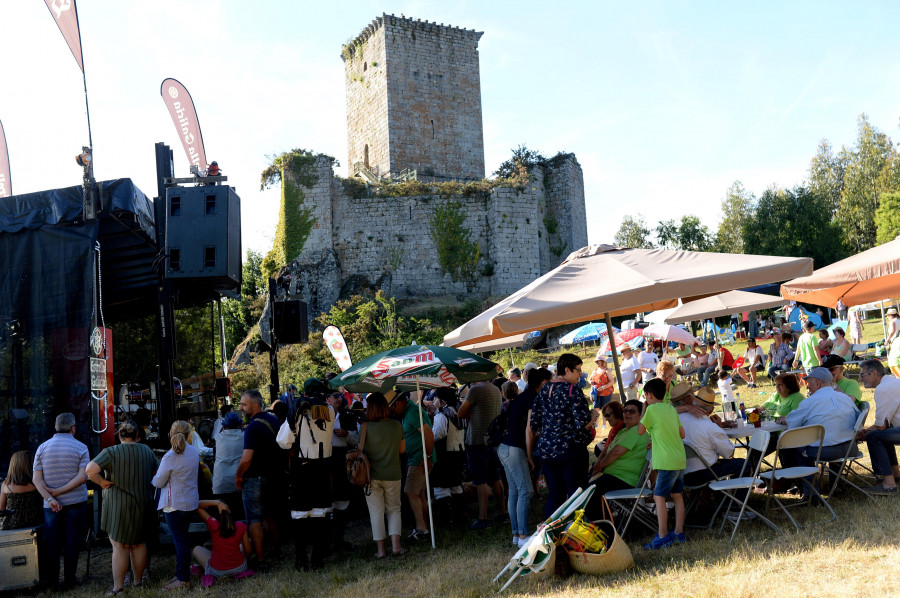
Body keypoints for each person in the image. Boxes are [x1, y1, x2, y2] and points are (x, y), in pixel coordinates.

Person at [86, 421, 158, 595]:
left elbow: (90, 470)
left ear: (119, 434)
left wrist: (102, 482)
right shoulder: (147, 451)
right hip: (142, 503)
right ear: (137, 436)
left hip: (118, 506)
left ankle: (118, 587)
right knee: (139, 544)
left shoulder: (110, 452)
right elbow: (156, 474)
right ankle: (138, 582)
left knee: (120, 547)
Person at [529, 353, 594, 516]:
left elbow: (534, 423)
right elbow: (582, 423)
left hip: (547, 451)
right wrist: (593, 416)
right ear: (567, 370)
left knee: (555, 494)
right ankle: (577, 534)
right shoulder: (572, 390)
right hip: (570, 450)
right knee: (576, 494)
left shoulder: (543, 390)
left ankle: (549, 535)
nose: (580, 374)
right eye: (578, 370)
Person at [780, 367, 859, 499]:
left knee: (796, 450)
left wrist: (783, 420)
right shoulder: (845, 398)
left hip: (825, 451)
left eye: (809, 383)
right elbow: (857, 418)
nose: (807, 388)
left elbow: (792, 423)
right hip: (850, 448)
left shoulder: (810, 402)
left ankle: (811, 494)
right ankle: (834, 486)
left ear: (817, 383)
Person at [32, 412, 89, 591]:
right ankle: (70, 581)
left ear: (56, 427)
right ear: (73, 428)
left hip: (50, 506)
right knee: (72, 541)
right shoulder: (81, 447)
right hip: (76, 502)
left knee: (52, 543)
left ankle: (52, 582)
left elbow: (36, 479)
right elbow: (82, 477)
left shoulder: (42, 448)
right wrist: (61, 491)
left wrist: (50, 498)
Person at [280, 387, 334, 571]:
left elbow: (283, 441)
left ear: (304, 394)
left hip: (303, 468)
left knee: (300, 515)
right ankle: (317, 559)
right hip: (323, 467)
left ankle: (301, 560)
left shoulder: (299, 412)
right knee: (320, 513)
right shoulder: (330, 410)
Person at [234, 389, 281, 570]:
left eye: (244, 405)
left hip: (254, 479)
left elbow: (247, 458)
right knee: (270, 516)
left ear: (254, 405)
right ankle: (276, 550)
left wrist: (238, 474)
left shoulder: (252, 427)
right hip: (273, 476)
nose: (242, 408)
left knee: (254, 519)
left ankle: (260, 559)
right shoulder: (274, 420)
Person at [637, 378, 686, 549]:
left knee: (659, 496)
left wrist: (644, 409)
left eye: (645, 397)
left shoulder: (650, 410)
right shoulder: (671, 409)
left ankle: (662, 534)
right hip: (679, 458)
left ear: (649, 395)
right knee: (677, 495)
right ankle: (679, 533)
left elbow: (640, 430)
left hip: (665, 461)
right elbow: (682, 434)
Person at [152, 420, 200, 590]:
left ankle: (183, 579)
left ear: (171, 434)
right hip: (189, 502)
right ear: (188, 434)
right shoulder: (194, 452)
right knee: (183, 540)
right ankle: (181, 574)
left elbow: (158, 482)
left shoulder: (169, 457)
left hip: (173, 504)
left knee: (180, 542)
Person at [584, 400, 648, 520]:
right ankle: (596, 524)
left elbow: (615, 452)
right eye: (625, 411)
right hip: (613, 476)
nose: (627, 414)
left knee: (589, 492)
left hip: (624, 479)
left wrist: (599, 466)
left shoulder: (636, 431)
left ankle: (604, 529)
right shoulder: (625, 430)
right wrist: (597, 465)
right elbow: (608, 448)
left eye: (632, 411)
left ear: (640, 415)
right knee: (583, 487)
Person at [458, 379, 507, 529]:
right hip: (492, 439)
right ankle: (502, 512)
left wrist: (471, 410)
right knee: (495, 477)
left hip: (477, 439)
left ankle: (483, 518)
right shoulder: (495, 390)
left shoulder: (475, 390)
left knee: (480, 480)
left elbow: (460, 413)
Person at [361, 393, 406, 557]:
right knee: (394, 510)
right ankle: (396, 546)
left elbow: (361, 451)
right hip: (393, 473)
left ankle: (381, 550)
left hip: (370, 476)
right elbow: (402, 450)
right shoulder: (396, 425)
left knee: (376, 512)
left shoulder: (365, 428)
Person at [674, 387, 745, 485]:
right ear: (711, 410)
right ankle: (735, 499)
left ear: (693, 402)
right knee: (744, 464)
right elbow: (729, 453)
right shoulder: (710, 427)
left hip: (679, 473)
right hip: (703, 474)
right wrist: (719, 428)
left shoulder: (676, 418)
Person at [390, 392, 436, 540]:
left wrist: (427, 456)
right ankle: (424, 527)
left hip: (420, 459)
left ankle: (421, 529)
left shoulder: (412, 412)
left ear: (398, 403)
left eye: (392, 408)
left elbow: (428, 434)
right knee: (419, 493)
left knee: (410, 492)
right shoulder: (409, 410)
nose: (392, 411)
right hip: (417, 457)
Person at [498, 373, 536, 547]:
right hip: (514, 448)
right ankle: (523, 536)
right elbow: (529, 432)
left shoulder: (510, 406)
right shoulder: (525, 403)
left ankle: (516, 534)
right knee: (525, 491)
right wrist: (529, 456)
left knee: (514, 491)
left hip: (503, 447)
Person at [858, 359, 900, 494]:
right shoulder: (891, 381)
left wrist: (865, 432)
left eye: (863, 375)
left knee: (874, 437)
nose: (861, 379)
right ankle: (895, 473)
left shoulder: (883, 388)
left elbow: (880, 426)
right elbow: (884, 425)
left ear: (874, 373)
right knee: (881, 434)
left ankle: (888, 484)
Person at [191, 500, 250, 589]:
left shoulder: (213, 523)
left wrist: (217, 502)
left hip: (217, 572)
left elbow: (196, 505)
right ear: (230, 511)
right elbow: (248, 552)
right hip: (239, 568)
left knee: (196, 549)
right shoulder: (240, 526)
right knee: (248, 541)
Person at [327, 391, 357, 552]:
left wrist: (346, 434)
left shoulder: (347, 415)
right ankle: (327, 541)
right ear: (327, 399)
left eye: (340, 396)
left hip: (341, 459)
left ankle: (339, 539)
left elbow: (356, 440)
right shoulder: (322, 414)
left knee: (342, 499)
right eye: (334, 396)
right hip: (326, 459)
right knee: (327, 500)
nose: (338, 399)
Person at [430, 388, 466, 522]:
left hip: (446, 455)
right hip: (459, 452)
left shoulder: (442, 414)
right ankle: (460, 516)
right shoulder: (458, 410)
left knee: (441, 485)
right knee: (456, 484)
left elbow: (437, 435)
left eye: (435, 399)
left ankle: (446, 519)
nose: (433, 401)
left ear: (440, 400)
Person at [212, 412, 244, 517]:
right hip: (239, 482)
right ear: (239, 425)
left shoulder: (218, 438)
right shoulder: (245, 436)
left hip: (221, 483)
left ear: (224, 426)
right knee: (240, 515)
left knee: (224, 517)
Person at [0, 451, 43, 530]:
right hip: (36, 521)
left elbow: (2, 508)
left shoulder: (5, 484)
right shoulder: (36, 483)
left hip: (12, 524)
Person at [887, 308, 900, 378]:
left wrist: (887, 340)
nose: (887, 317)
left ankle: (898, 378)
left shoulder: (893, 322)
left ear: (891, 315)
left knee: (894, 361)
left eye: (888, 316)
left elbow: (892, 331)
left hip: (896, 342)